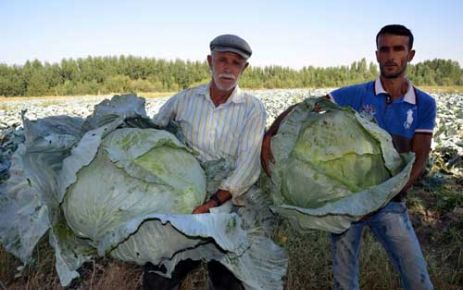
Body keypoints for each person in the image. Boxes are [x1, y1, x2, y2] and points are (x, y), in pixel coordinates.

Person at [261, 24, 435, 290]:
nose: (390, 56)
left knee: (416, 276)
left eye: (398, 49)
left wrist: (386, 195)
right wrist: (270, 136)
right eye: (384, 49)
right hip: (347, 202)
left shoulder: (424, 103)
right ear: (376, 55)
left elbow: (421, 155)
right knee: (344, 280)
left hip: (390, 201)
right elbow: (309, 106)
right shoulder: (356, 94)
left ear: (410, 55)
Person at [144, 34, 266, 290]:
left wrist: (211, 203)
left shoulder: (252, 108)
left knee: (227, 280)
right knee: (159, 276)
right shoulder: (184, 100)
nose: (228, 68)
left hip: (227, 206)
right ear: (210, 61)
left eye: (236, 63)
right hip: (182, 204)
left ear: (244, 68)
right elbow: (152, 134)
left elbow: (247, 167)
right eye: (222, 60)